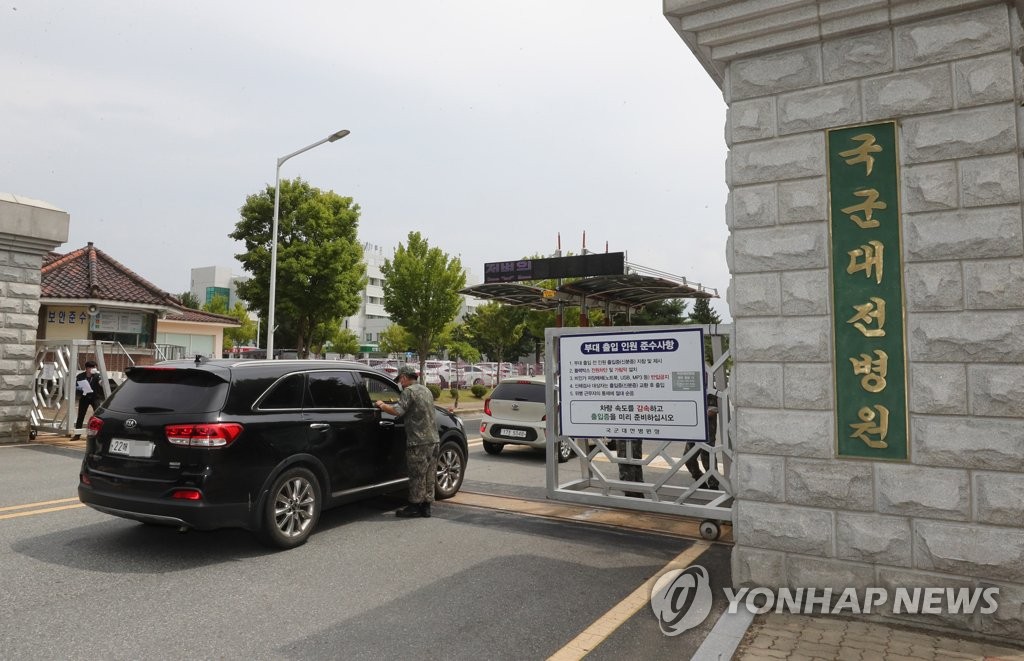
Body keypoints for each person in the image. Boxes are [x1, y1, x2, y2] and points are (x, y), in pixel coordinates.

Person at [374, 365, 440, 518]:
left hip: (418, 441)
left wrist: (382, 405)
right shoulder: (426, 390)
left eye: (400, 380)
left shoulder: (408, 392)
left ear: (404, 377)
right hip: (434, 440)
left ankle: (414, 507)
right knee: (429, 474)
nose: (400, 383)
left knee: (417, 474)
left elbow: (398, 411)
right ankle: (426, 507)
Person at [686, 363, 720, 491]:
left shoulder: (710, 389)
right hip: (693, 427)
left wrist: (701, 412)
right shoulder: (689, 388)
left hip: (707, 425)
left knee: (707, 454)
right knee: (689, 457)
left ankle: (713, 485)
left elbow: (714, 409)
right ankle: (699, 479)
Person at [73, 360, 103, 439]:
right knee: (81, 415)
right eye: (92, 367)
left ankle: (98, 434)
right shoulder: (80, 376)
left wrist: (101, 382)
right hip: (84, 397)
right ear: (87, 368)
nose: (94, 369)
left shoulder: (97, 375)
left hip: (95, 397)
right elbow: (76, 386)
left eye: (95, 367)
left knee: (98, 415)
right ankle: (77, 434)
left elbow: (101, 383)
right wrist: (81, 388)